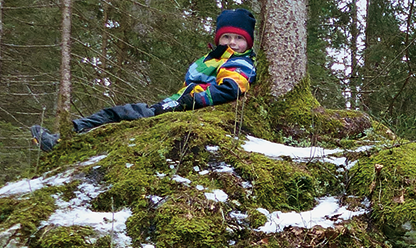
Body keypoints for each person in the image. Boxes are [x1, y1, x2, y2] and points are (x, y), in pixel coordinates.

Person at [31, 9, 257, 152]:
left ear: (248, 42)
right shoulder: (213, 58)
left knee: (119, 116)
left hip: (183, 108)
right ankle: (63, 138)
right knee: (117, 118)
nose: (232, 42)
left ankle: (64, 140)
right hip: (174, 105)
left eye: (239, 38)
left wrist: (192, 101)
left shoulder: (239, 62)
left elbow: (231, 88)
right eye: (226, 36)